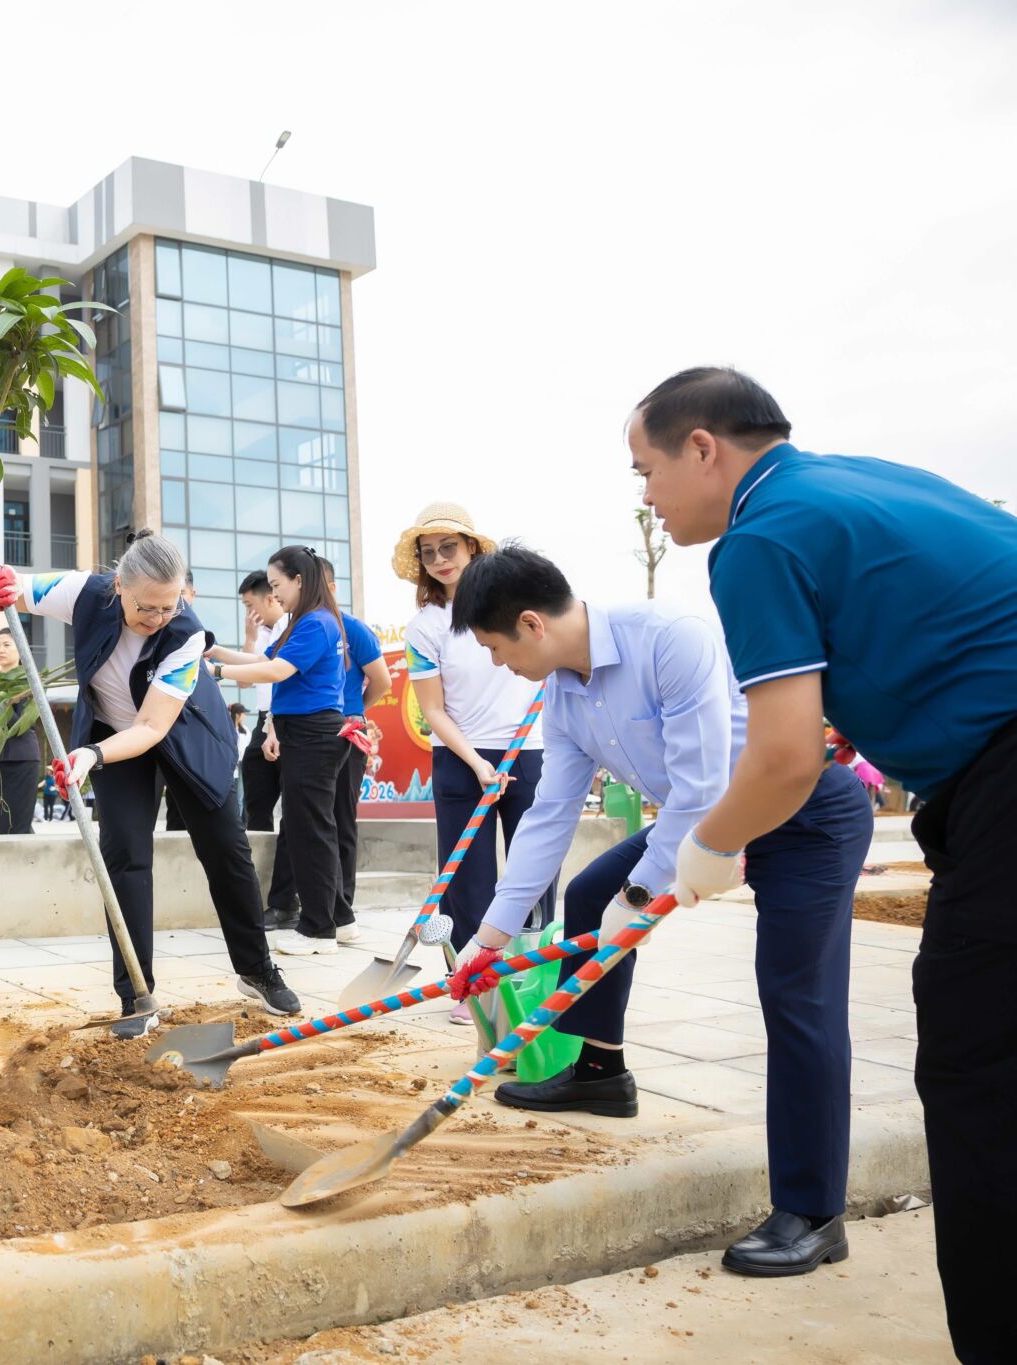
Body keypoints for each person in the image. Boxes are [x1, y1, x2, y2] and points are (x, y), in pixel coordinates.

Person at [625, 370, 1016, 1347]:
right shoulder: (856, 482)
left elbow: (786, 755)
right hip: (980, 775)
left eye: (645, 469)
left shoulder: (756, 539)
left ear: (703, 448)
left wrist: (710, 845)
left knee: (980, 1073)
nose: (643, 495)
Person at [446, 543, 870, 1282]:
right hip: (704, 815)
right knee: (585, 894)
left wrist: (638, 898)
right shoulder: (565, 693)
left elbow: (704, 785)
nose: (499, 666)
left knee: (798, 997)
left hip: (798, 812)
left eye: (495, 649)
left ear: (529, 624)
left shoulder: (668, 636)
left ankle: (812, 1212)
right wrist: (488, 937)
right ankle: (599, 1070)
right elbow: (549, 817)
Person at [0, 532, 300, 1038]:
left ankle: (257, 968)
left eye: (168, 606)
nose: (157, 618)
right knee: (126, 858)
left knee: (226, 848)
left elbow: (153, 728)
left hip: (185, 732)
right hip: (113, 735)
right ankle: (137, 992)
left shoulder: (186, 635)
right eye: (145, 608)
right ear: (119, 587)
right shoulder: (85, 592)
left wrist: (89, 754)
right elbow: (9, 587)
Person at [395, 502, 554, 1024]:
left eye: (449, 547)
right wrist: (477, 762)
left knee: (534, 868)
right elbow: (434, 709)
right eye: (429, 552)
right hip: (461, 759)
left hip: (526, 751)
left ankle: (534, 972)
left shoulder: (513, 609)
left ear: (471, 549)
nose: (440, 559)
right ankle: (473, 982)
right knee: (467, 876)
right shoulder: (426, 627)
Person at [209, 546, 369, 952]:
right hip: (309, 732)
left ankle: (317, 930)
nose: (274, 594)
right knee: (316, 827)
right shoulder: (303, 621)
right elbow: (263, 656)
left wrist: (216, 672)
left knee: (308, 831)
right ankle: (342, 919)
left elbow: (278, 670)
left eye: (278, 585)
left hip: (314, 734)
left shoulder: (315, 623)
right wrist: (213, 651)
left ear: (300, 580)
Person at [318, 552, 392, 937]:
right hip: (310, 734)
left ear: (329, 586)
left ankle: (342, 906)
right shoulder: (302, 630)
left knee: (341, 819)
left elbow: (383, 682)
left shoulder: (354, 631)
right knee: (316, 822)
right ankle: (320, 903)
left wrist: (355, 712)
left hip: (347, 733)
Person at [235, 571, 295, 928]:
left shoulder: (293, 626)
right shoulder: (260, 637)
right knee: (254, 801)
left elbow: (277, 678)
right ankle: (255, 891)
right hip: (263, 722)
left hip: (287, 721)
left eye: (249, 605)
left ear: (270, 598)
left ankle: (287, 899)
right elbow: (244, 679)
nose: (248, 612)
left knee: (293, 812)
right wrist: (248, 638)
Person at [0, 627, 40, 836]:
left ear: (20, 649)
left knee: (18, 824)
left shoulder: (30, 681)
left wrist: (0, 702)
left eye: (6, 645)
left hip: (22, 761)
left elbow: (23, 724)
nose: (0, 650)